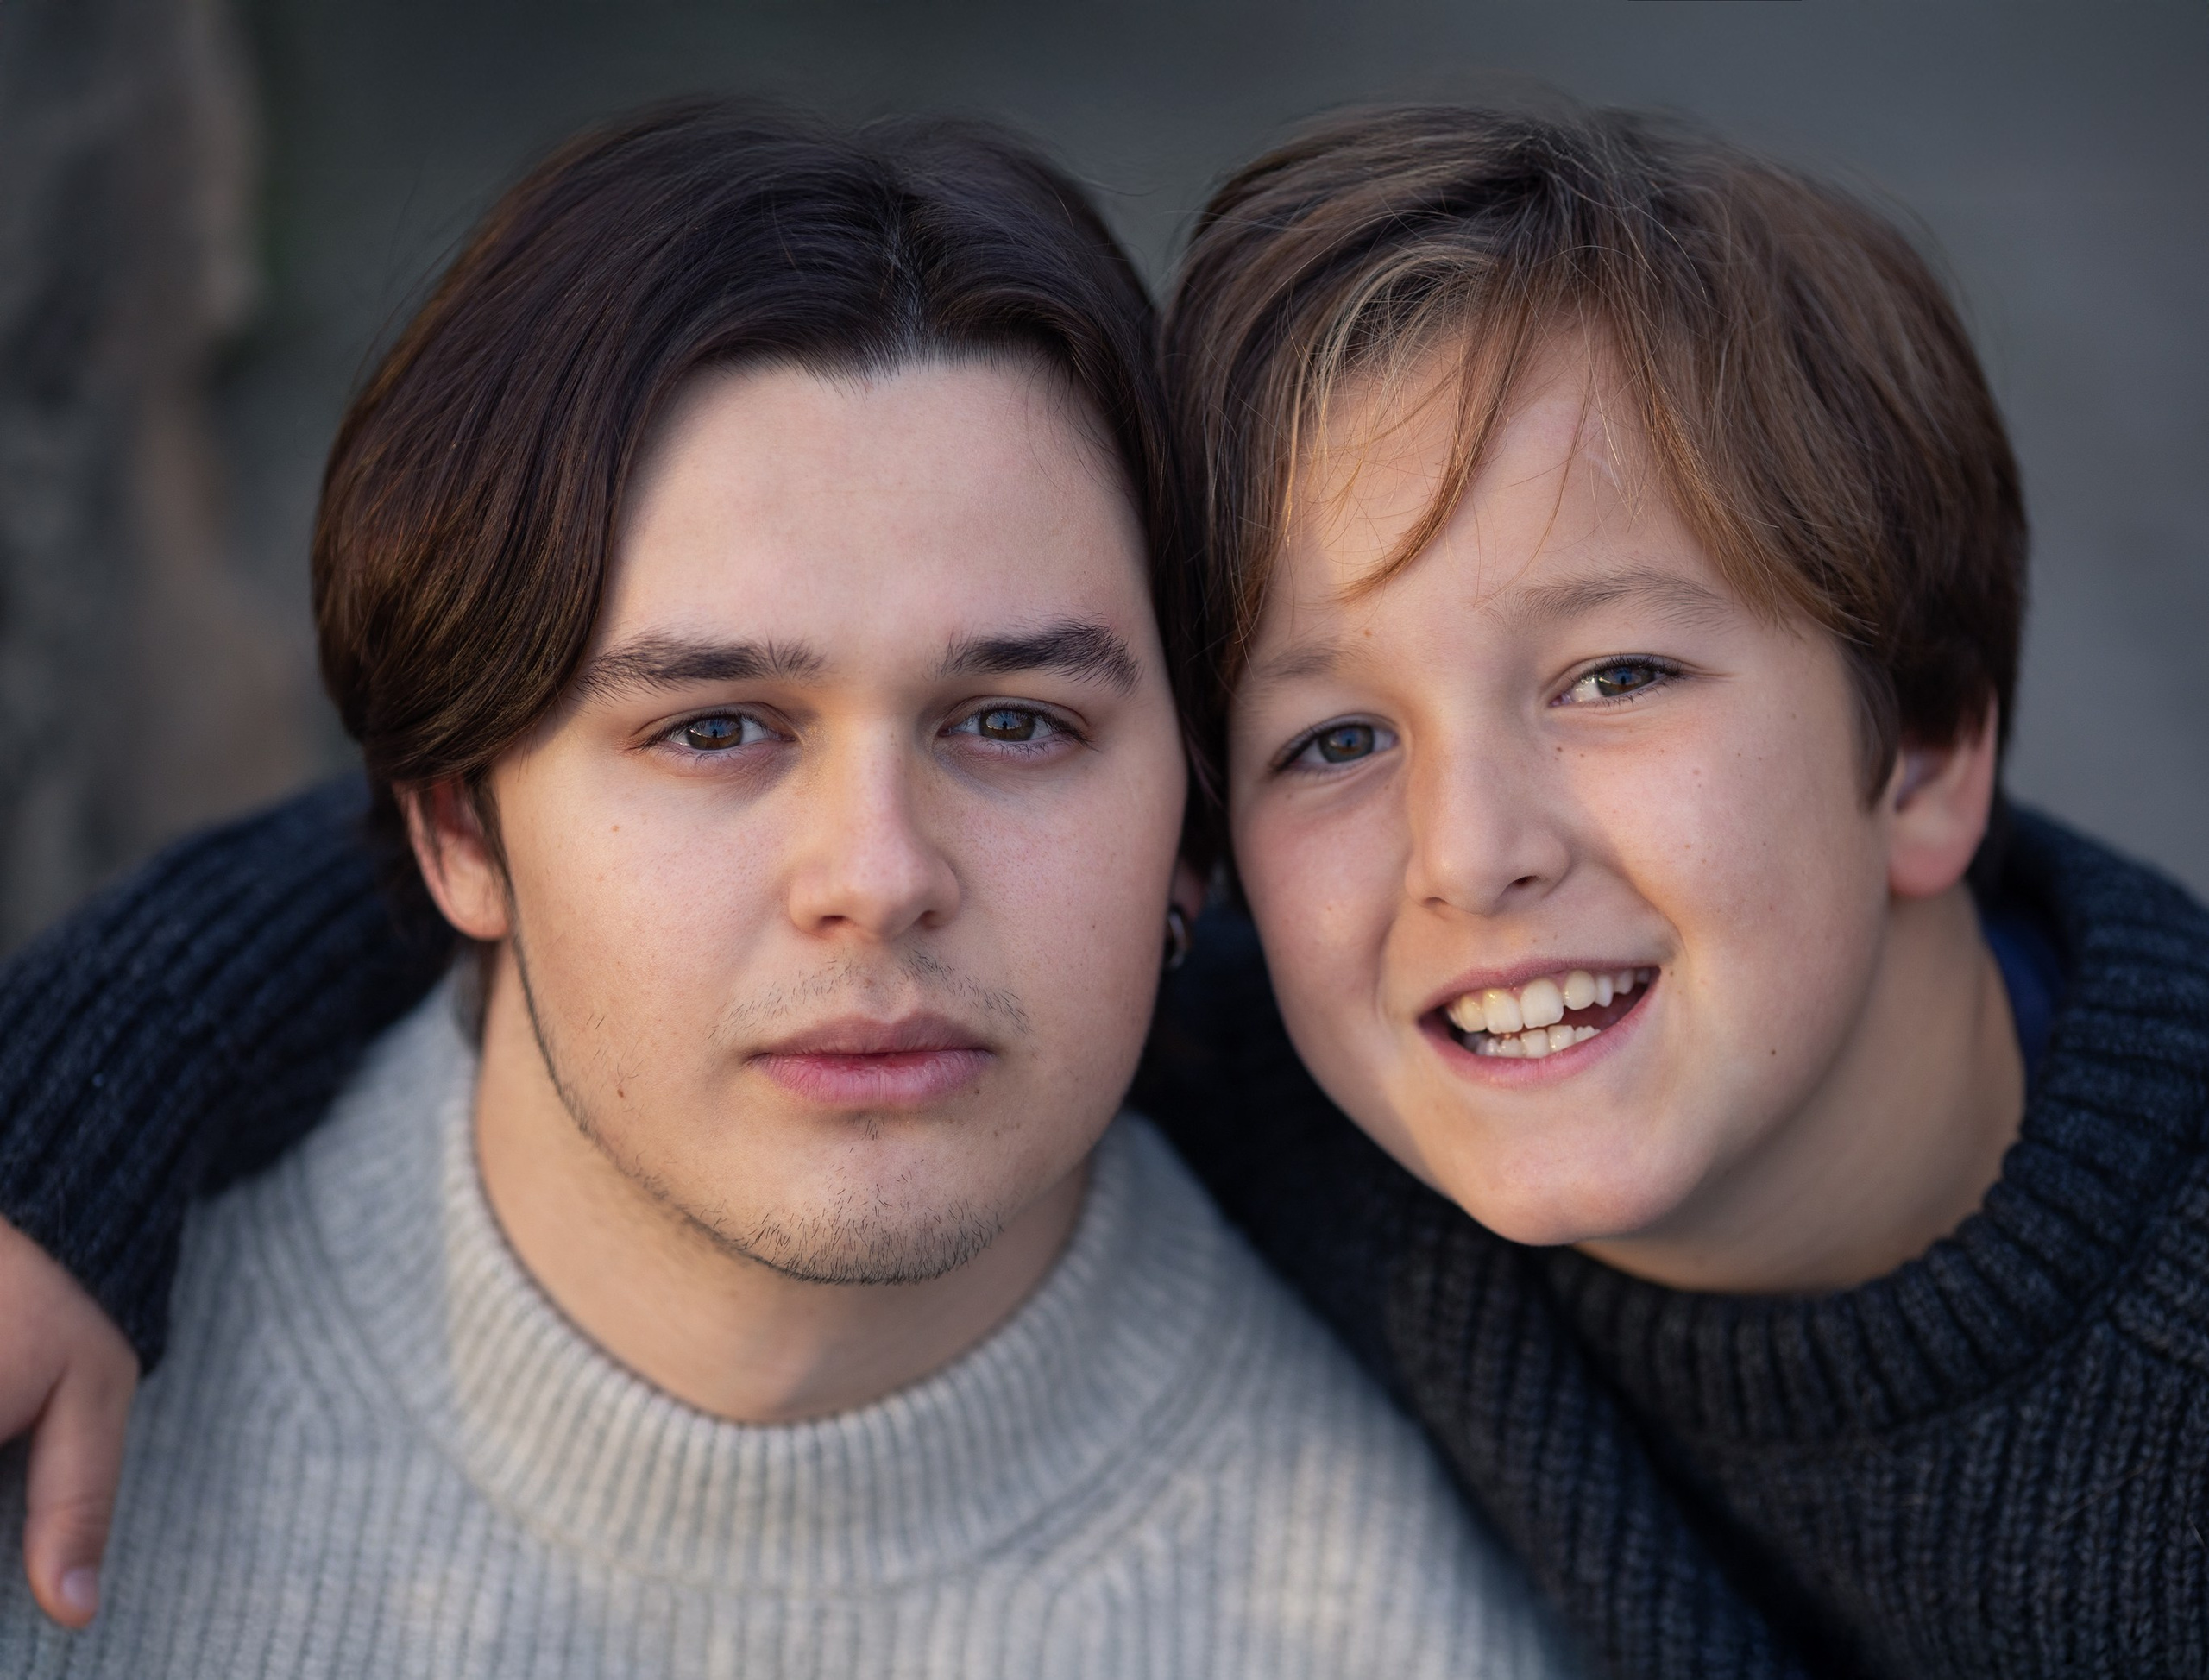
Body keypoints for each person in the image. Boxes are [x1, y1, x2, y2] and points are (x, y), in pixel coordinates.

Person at [6, 98, 2207, 1680]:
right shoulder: (1321, 1027)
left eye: (1016, 724)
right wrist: (67, 1124)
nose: (1470, 849)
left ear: (1925, 754)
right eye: (1331, 736)